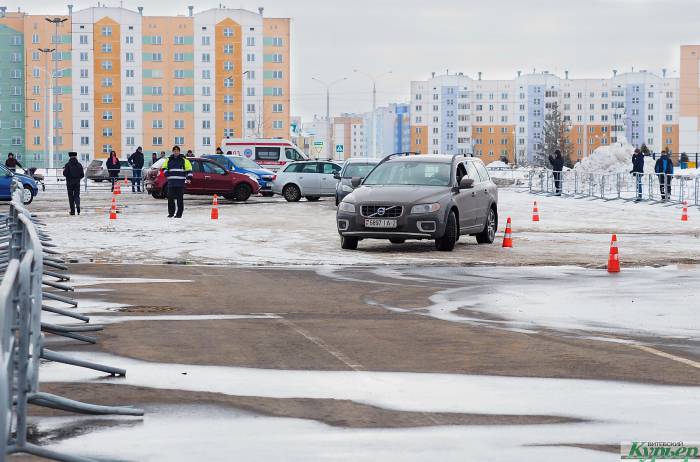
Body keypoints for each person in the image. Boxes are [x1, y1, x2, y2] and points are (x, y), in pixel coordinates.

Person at [161, 145, 193, 218]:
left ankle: (179, 214)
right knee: (170, 199)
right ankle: (171, 213)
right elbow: (164, 168)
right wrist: (166, 173)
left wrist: (189, 178)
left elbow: (189, 170)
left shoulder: (184, 160)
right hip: (171, 183)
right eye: (175, 151)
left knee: (180, 199)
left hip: (180, 183)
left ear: (179, 152)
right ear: (173, 152)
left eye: (177, 151)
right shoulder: (168, 160)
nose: (176, 152)